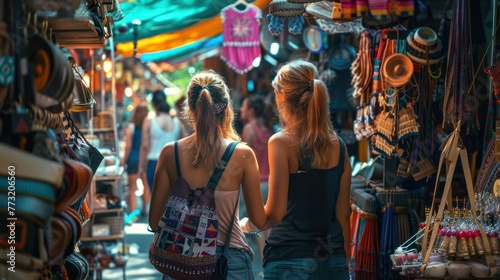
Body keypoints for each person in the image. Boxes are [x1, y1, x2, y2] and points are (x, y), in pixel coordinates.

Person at [149, 70, 267, 279]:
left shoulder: (170, 153)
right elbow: (258, 220)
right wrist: (241, 224)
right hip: (229, 263)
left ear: (190, 108)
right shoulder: (242, 155)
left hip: (181, 263)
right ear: (226, 108)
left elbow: (153, 221)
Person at [241, 60, 352, 279]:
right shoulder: (338, 145)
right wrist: (343, 262)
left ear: (282, 97)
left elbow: (274, 213)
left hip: (289, 259)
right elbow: (343, 213)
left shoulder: (281, 143)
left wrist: (248, 223)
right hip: (333, 257)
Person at [239, 95, 273, 273]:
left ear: (251, 110)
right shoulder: (266, 129)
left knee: (256, 226)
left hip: (257, 184)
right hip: (269, 184)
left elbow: (244, 160)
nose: (241, 111)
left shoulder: (249, 129)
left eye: (244, 107)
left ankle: (264, 264)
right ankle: (267, 263)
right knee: (266, 226)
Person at [139, 90, 182, 195]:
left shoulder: (149, 121)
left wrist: (141, 167)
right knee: (172, 199)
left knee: (156, 200)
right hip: (173, 164)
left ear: (153, 104)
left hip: (154, 164)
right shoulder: (177, 122)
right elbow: (183, 145)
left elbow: (145, 146)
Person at [121, 103, 149, 217]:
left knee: (132, 187)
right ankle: (143, 210)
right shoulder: (149, 125)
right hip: (146, 159)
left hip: (133, 159)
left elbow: (128, 146)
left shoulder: (131, 126)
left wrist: (123, 160)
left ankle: (133, 214)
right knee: (146, 185)